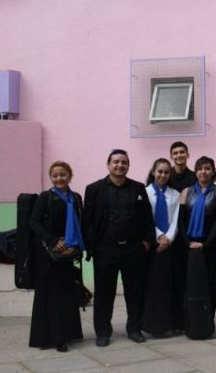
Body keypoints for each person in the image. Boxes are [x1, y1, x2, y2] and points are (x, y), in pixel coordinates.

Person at [83, 149, 155, 347]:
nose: (119, 165)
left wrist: (147, 242)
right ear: (108, 165)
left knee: (135, 292)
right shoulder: (94, 189)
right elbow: (87, 221)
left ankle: (134, 329)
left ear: (128, 166)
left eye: (124, 162)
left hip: (133, 249)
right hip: (105, 249)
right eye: (115, 162)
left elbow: (148, 218)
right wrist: (93, 246)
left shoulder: (138, 188)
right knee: (104, 292)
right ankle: (103, 332)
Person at [28, 161, 84, 352]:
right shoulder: (46, 197)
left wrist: (74, 246)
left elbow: (79, 223)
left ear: (70, 175)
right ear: (51, 178)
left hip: (67, 254)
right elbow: (34, 222)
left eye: (63, 174)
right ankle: (54, 338)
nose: (59, 178)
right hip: (48, 254)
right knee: (51, 296)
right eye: (55, 175)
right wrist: (53, 240)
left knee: (67, 294)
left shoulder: (76, 197)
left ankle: (69, 333)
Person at [177, 157, 216, 320]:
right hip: (188, 245)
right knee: (189, 282)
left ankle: (208, 318)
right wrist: (188, 242)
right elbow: (180, 221)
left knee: (210, 282)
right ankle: (189, 318)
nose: (203, 172)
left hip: (211, 246)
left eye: (207, 168)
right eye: (200, 168)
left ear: (213, 171)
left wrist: (206, 243)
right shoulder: (186, 192)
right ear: (195, 172)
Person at [142, 158, 182, 336]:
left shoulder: (175, 194)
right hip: (151, 245)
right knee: (152, 286)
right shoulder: (144, 193)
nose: (163, 175)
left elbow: (176, 220)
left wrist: (168, 239)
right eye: (160, 171)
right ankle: (151, 325)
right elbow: (145, 219)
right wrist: (159, 236)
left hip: (169, 247)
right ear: (153, 172)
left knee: (169, 286)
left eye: (166, 172)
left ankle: (169, 324)